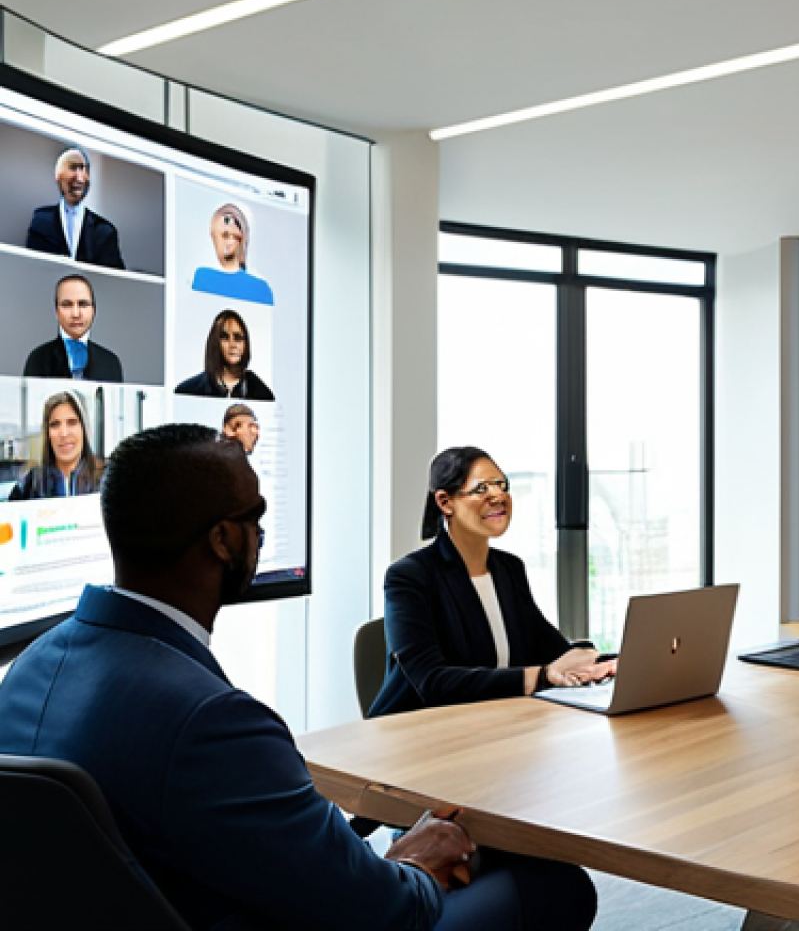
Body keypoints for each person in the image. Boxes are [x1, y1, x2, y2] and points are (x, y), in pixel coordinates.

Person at [0, 425, 597, 931]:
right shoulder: (213, 720)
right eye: (256, 518)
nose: (261, 534)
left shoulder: (28, 669)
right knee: (556, 884)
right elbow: (385, 910)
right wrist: (415, 865)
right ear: (224, 539)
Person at [370, 446, 616, 717]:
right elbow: (431, 681)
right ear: (445, 502)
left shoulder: (508, 568)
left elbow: (551, 649)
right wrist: (541, 677)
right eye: (481, 489)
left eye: (501, 485)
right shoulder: (409, 575)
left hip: (488, 721)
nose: (498, 496)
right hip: (416, 730)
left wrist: (603, 662)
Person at [26, 147, 125, 269]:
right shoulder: (41, 221)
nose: (80, 178)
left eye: (84, 169)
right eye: (73, 168)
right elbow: (31, 267)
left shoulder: (105, 231)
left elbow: (115, 281)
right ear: (58, 176)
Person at [23, 274, 124, 382]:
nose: (76, 314)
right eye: (67, 305)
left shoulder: (111, 362)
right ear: (57, 311)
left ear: (93, 310)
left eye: (83, 304)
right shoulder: (38, 358)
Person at [7, 391, 100, 500]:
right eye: (55, 425)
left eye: (72, 422)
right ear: (47, 433)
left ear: (84, 429)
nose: (64, 434)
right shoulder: (28, 484)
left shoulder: (107, 480)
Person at [175, 309, 274, 400]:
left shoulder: (262, 394)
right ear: (214, 343)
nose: (233, 345)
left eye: (238, 338)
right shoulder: (187, 392)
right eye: (225, 337)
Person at [191, 203, 274, 305]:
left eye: (230, 236)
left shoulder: (260, 288)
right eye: (224, 235)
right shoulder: (203, 276)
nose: (228, 242)